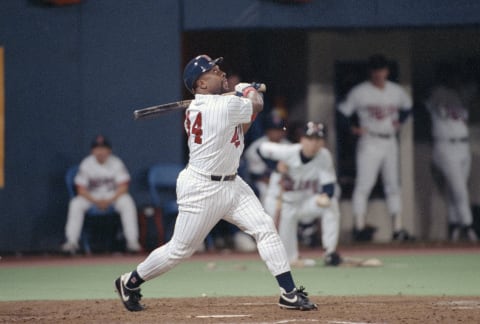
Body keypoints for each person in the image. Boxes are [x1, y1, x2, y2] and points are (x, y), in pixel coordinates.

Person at [114, 55, 317, 312]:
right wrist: (248, 90)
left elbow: (238, 129)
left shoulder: (211, 106)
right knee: (179, 251)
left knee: (265, 227)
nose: (220, 73)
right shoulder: (220, 107)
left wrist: (242, 96)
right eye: (213, 71)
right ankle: (129, 282)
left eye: (219, 68)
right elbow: (257, 105)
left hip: (232, 183)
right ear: (200, 85)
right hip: (202, 188)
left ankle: (288, 292)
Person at [338, 54, 413, 242]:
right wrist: (353, 129)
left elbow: (408, 107)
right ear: (370, 72)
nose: (379, 73)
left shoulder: (396, 91)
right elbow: (342, 113)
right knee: (364, 184)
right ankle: (359, 226)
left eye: (382, 69)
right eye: (375, 69)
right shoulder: (360, 91)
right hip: (369, 141)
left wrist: (400, 121)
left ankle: (398, 228)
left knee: (393, 185)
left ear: (387, 71)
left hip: (389, 141)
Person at [258, 122, 342, 267]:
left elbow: (329, 186)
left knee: (331, 203)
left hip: (303, 203)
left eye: (318, 139)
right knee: (287, 259)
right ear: (302, 140)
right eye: (310, 139)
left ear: (323, 142)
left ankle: (330, 252)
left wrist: (326, 196)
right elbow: (261, 149)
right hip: (280, 205)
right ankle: (290, 257)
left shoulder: (324, 156)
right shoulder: (288, 152)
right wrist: (275, 166)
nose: (314, 144)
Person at [61, 135, 141, 254]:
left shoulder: (116, 163)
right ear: (92, 150)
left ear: (109, 150)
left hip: (112, 197)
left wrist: (109, 201)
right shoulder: (87, 164)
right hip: (92, 197)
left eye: (103, 148)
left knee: (127, 201)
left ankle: (132, 242)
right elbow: (80, 190)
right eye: (97, 148)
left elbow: (123, 187)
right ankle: (71, 243)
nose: (100, 151)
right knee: (75, 203)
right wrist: (96, 201)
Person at [425, 65, 478, 242]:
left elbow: (472, 89)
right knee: (459, 189)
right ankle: (469, 227)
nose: (457, 81)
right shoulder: (438, 93)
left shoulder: (462, 95)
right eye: (454, 77)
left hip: (463, 146)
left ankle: (455, 225)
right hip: (445, 147)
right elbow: (427, 100)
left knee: (457, 189)